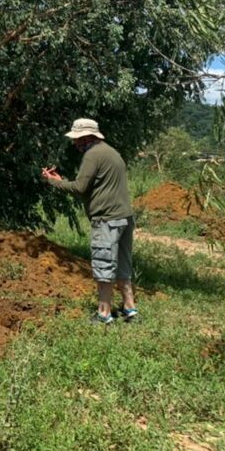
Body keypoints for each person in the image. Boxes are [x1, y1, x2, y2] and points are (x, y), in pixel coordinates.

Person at [42, 118, 136, 324]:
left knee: (104, 265)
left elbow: (80, 187)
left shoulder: (92, 155)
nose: (75, 143)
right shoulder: (112, 153)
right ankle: (130, 309)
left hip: (106, 219)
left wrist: (54, 182)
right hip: (124, 217)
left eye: (77, 139)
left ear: (86, 137)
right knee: (123, 265)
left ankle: (104, 314)